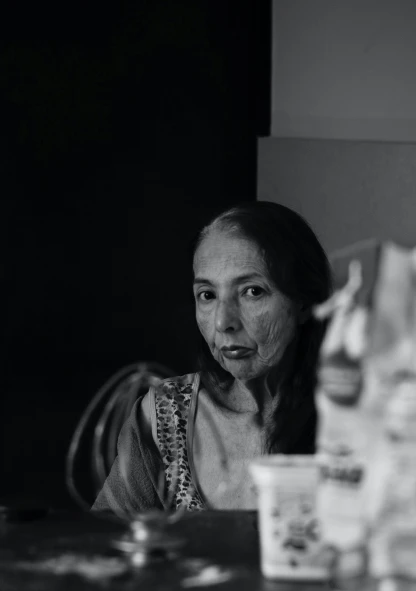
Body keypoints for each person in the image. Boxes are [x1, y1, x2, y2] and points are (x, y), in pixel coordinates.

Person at [92, 201, 332, 514]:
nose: (223, 322)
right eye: (207, 295)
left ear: (303, 302)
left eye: (252, 291)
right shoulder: (165, 414)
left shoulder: (358, 414)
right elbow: (107, 543)